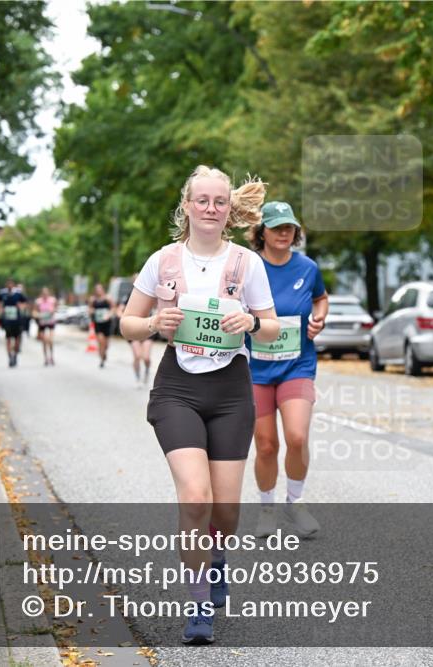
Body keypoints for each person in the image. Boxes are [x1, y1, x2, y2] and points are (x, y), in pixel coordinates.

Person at [121, 165, 277, 645]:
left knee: (225, 512)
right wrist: (153, 325)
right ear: (186, 206)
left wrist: (249, 323)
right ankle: (198, 602)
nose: (211, 208)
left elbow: (273, 328)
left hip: (230, 391)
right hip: (177, 388)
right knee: (195, 495)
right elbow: (127, 322)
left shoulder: (246, 263)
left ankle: (217, 554)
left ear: (229, 211)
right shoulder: (162, 261)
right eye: (202, 200)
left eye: (220, 201)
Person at [246, 201, 328, 539]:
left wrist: (319, 318)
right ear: (261, 231)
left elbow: (320, 298)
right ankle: (267, 508)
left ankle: (295, 502)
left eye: (289, 227)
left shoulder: (307, 268)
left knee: (296, 436)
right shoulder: (248, 267)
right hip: (255, 368)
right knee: (266, 445)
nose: (284, 232)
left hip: (297, 364)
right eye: (277, 226)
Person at [120, 276, 153, 386]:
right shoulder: (129, 296)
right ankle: (138, 378)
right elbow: (119, 310)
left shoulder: (152, 292)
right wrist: (124, 319)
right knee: (138, 355)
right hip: (135, 330)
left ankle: (147, 371)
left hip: (148, 328)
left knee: (147, 358)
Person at [0, 278, 28, 367]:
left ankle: (15, 354)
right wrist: (0, 311)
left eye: (11, 284)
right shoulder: (3, 293)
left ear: (13, 285)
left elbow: (25, 303)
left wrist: (21, 307)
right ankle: (10, 357)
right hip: (7, 320)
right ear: (6, 285)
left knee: (17, 339)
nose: (9, 286)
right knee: (7, 339)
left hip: (17, 320)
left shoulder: (18, 294)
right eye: (8, 284)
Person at [88, 284, 115, 368]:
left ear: (103, 290)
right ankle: (101, 360)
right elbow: (90, 309)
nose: (98, 291)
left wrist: (109, 315)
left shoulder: (108, 298)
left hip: (107, 323)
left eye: (100, 289)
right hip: (98, 323)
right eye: (97, 289)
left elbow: (113, 308)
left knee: (106, 344)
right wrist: (91, 311)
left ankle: (104, 353)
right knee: (101, 341)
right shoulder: (93, 300)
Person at [33, 287, 58, 366]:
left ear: (48, 293)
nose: (45, 295)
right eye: (43, 293)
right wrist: (38, 315)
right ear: (41, 294)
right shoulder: (38, 301)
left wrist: (53, 311)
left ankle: (51, 356)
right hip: (42, 323)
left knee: (50, 340)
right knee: (44, 341)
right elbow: (34, 312)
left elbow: (56, 308)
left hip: (50, 322)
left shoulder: (53, 300)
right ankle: (46, 358)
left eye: (46, 293)